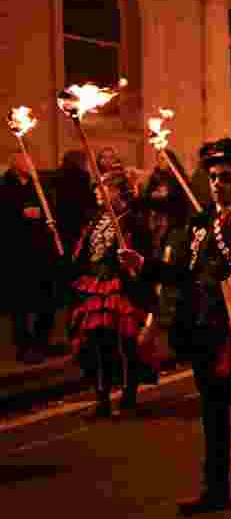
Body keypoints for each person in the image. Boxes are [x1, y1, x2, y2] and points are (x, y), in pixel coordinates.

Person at [118, 138, 231, 519]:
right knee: (213, 413)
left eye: (226, 177)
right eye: (213, 177)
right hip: (207, 332)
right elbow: (183, 274)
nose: (217, 184)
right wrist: (144, 265)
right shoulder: (199, 224)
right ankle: (215, 489)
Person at [68, 167, 153, 417]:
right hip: (96, 287)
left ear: (117, 191)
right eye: (97, 186)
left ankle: (128, 398)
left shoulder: (133, 220)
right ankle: (102, 398)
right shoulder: (95, 219)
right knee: (97, 345)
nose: (97, 190)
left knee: (125, 345)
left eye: (103, 186)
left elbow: (144, 256)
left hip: (122, 288)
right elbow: (84, 253)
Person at [2, 150, 63, 363]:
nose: (29, 163)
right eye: (24, 160)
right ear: (14, 163)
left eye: (30, 160)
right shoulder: (5, 185)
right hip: (17, 253)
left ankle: (42, 342)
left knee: (46, 299)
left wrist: (49, 218)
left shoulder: (38, 185)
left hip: (41, 251)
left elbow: (50, 209)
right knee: (20, 302)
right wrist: (20, 214)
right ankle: (23, 346)